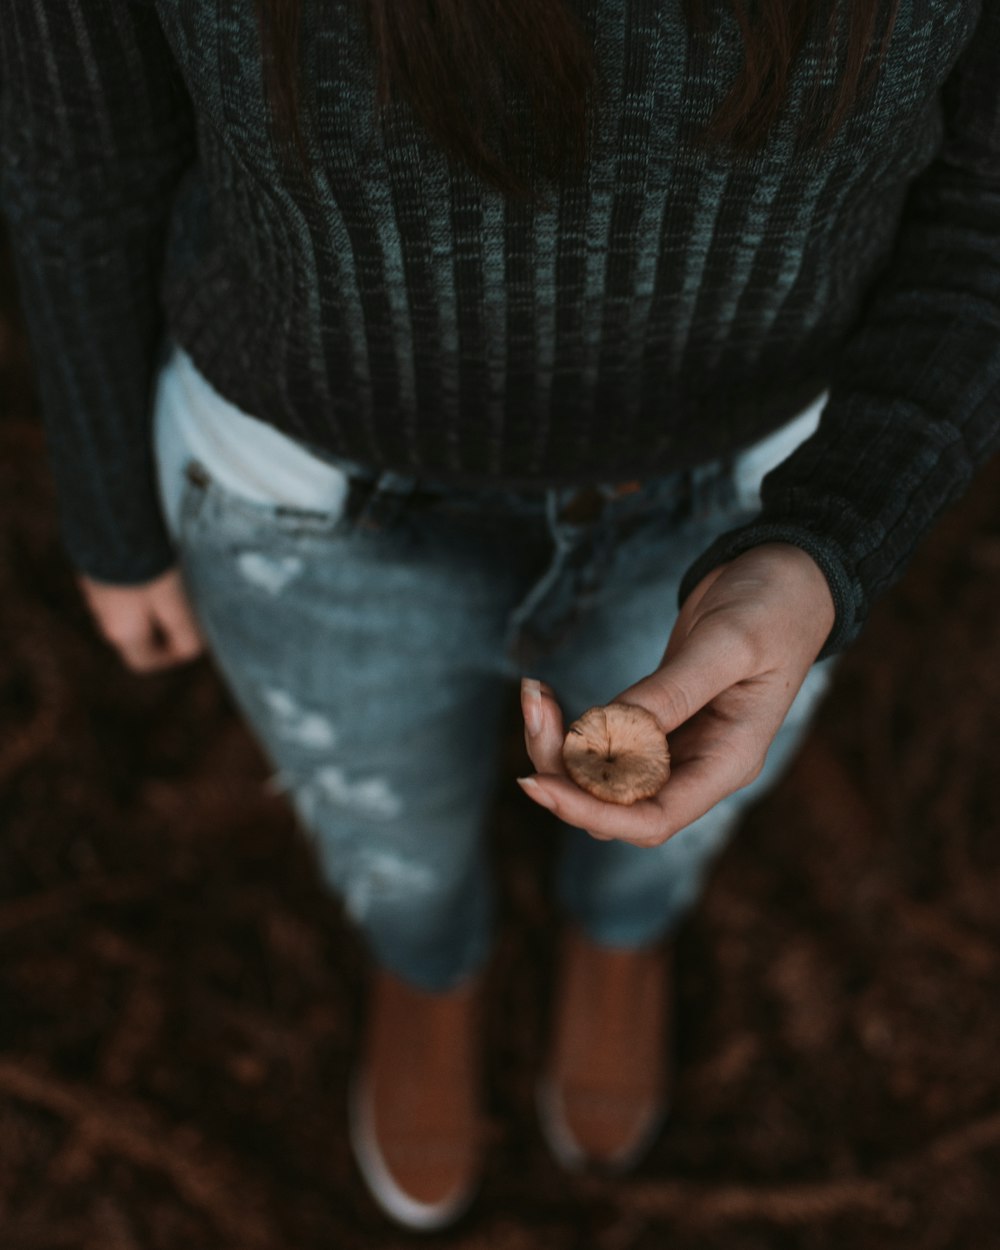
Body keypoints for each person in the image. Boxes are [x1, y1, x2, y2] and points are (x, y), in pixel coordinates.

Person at [2, 0, 997, 1231]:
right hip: (304, 506)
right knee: (384, 833)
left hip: (752, 499)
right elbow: (83, 153)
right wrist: (108, 507)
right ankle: (428, 966)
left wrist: (831, 541)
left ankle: (622, 930)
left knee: (673, 820)